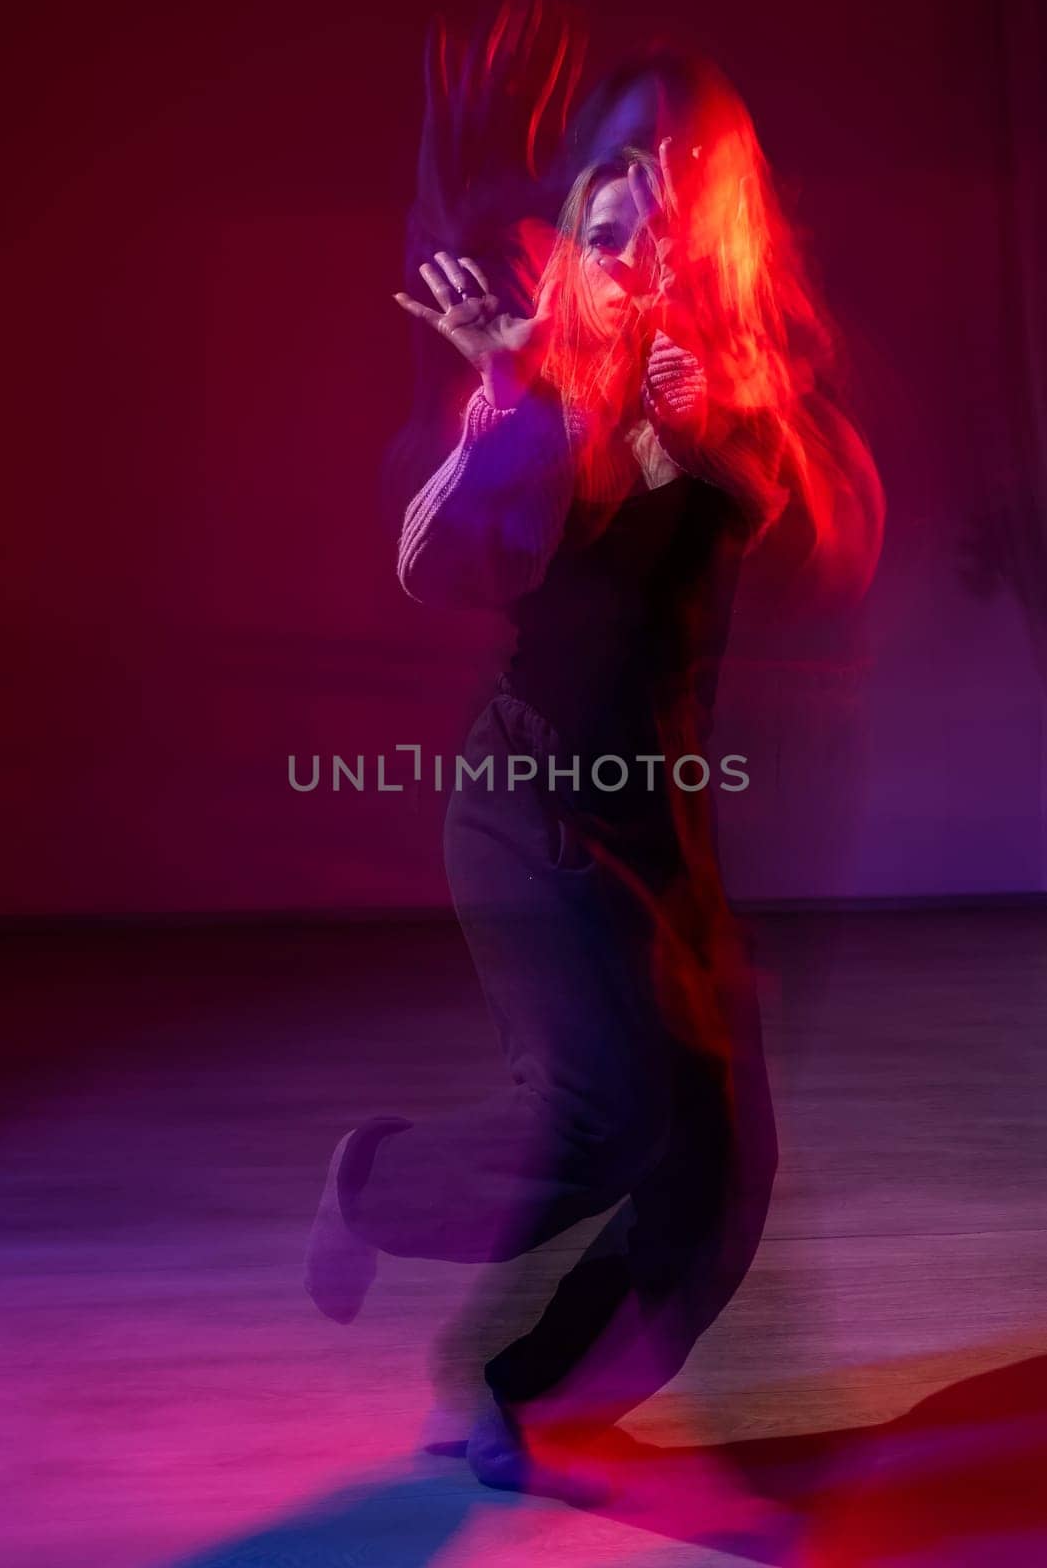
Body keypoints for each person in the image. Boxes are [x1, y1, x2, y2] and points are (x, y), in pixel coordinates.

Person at [306, 94, 881, 1497]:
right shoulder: (542, 400)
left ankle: (520, 1393)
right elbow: (433, 565)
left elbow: (827, 535)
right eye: (608, 235)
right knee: (603, 1111)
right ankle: (372, 1182)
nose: (638, 258)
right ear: (567, 256)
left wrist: (725, 427)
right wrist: (507, 400)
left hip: (661, 827)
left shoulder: (728, 397)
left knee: (715, 1173)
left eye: (665, 235)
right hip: (528, 809)